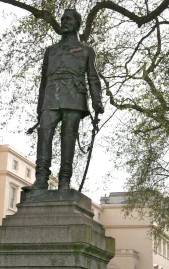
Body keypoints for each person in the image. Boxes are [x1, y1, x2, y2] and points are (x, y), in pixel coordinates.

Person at [30, 8, 103, 190]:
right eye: (62, 19)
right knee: (44, 132)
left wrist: (97, 100)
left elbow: (93, 77)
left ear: (78, 24)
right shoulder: (51, 51)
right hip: (50, 98)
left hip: (74, 97)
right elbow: (44, 81)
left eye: (68, 19)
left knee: (68, 137)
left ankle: (64, 180)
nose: (64, 22)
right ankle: (41, 179)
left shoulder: (87, 51)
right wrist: (40, 109)